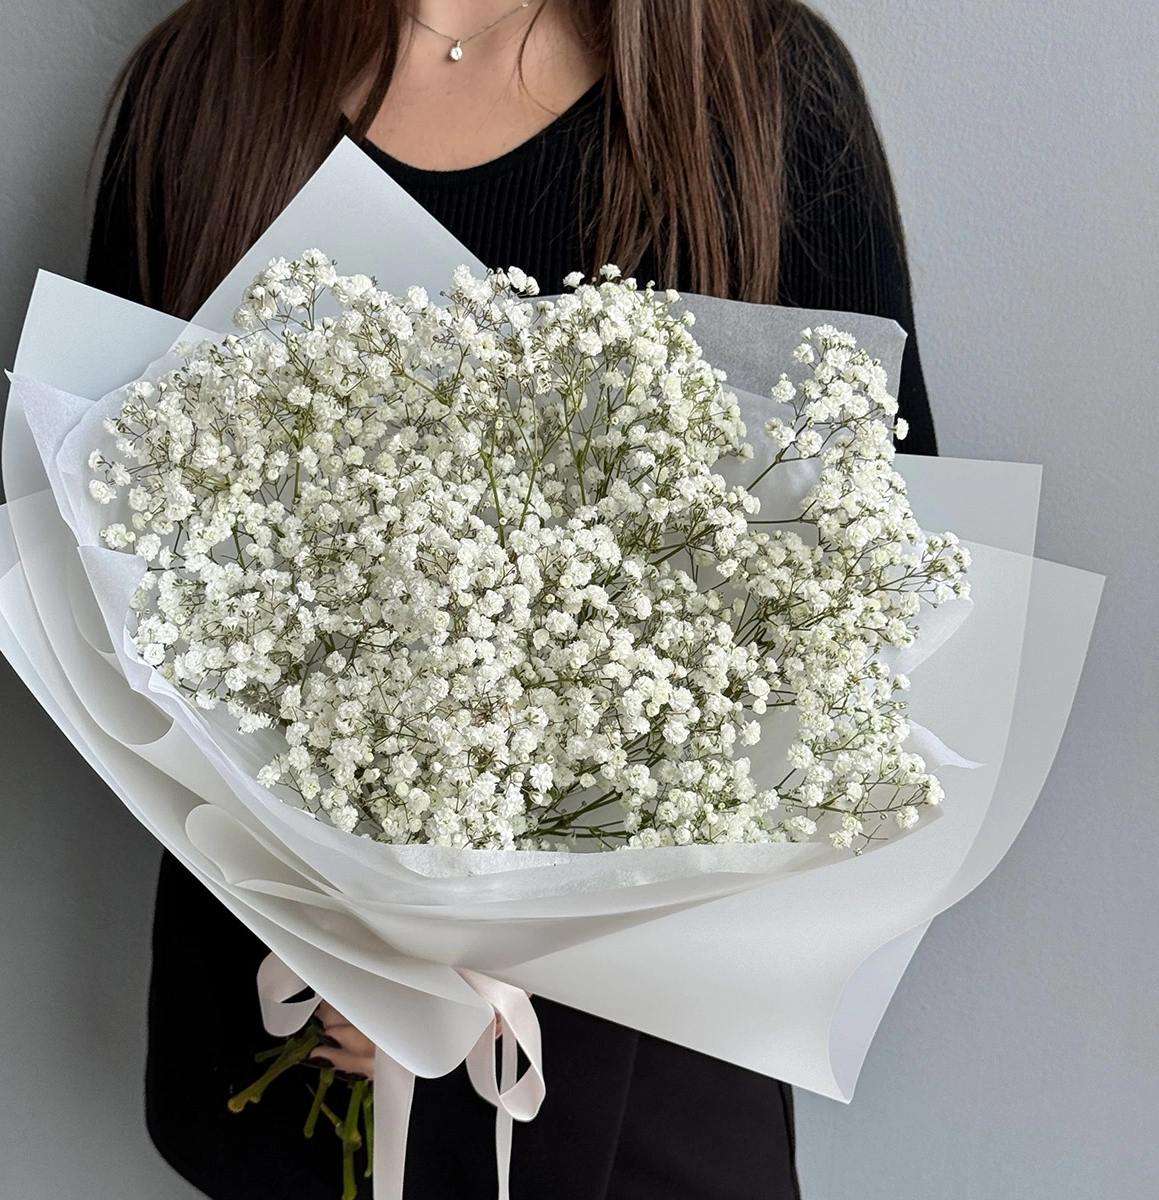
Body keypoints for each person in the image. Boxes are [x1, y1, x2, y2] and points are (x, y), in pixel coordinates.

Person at [85, 2, 937, 1196]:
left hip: (640, 1088)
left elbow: (868, 588)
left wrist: (473, 961)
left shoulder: (755, 85)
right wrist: (343, 937)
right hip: (288, 1017)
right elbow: (112, 551)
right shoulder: (207, 84)